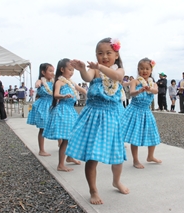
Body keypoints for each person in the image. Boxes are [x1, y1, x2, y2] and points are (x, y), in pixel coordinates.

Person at [66, 37, 129, 205]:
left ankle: (116, 181)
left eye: (109, 53)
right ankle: (93, 189)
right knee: (92, 155)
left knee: (117, 154)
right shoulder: (95, 71)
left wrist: (100, 67)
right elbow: (87, 77)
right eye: (100, 53)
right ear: (96, 55)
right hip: (94, 116)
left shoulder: (119, 70)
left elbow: (116, 76)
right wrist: (81, 69)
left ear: (116, 55)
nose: (104, 56)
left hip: (113, 117)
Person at [43, 58, 85, 172]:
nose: (72, 72)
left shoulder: (71, 82)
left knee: (72, 136)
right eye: (70, 69)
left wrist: (92, 94)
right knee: (66, 138)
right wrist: (64, 96)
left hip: (70, 111)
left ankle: (70, 157)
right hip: (63, 111)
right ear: (62, 69)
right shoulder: (59, 81)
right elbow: (56, 95)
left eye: (73, 70)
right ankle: (61, 164)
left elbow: (81, 89)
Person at [121, 57, 161, 169]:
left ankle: (150, 156)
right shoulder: (135, 81)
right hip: (135, 110)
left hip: (146, 111)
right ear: (138, 70)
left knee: (153, 133)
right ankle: (136, 160)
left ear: (151, 70)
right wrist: (139, 90)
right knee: (135, 135)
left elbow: (156, 91)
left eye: (147, 68)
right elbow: (132, 93)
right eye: (141, 68)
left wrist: (149, 89)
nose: (144, 71)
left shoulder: (153, 83)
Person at [27, 63, 55, 156]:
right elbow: (37, 84)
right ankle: (41, 150)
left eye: (53, 71)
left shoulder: (53, 82)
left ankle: (60, 143)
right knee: (42, 128)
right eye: (50, 71)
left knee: (57, 124)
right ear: (43, 72)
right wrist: (38, 83)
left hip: (53, 104)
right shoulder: (41, 81)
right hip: (43, 105)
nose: (52, 73)